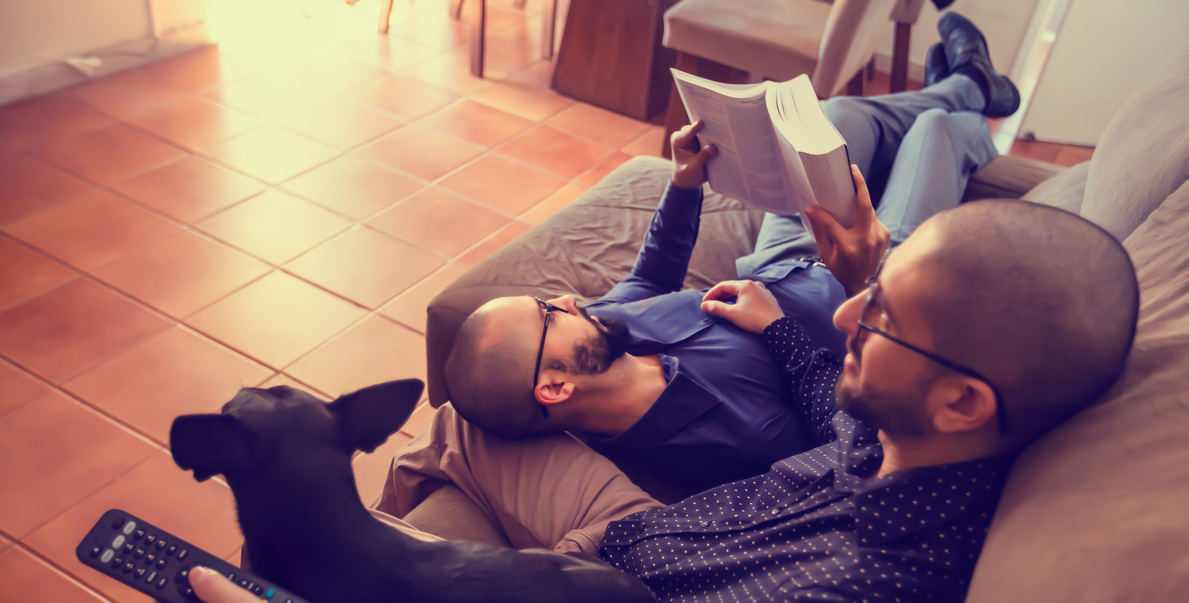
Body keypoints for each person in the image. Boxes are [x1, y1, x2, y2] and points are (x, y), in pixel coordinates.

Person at [141, 13, 1140, 603]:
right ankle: (965, 93)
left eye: (880, 321)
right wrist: (834, 294)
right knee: (459, 414)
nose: (852, 321)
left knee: (451, 432)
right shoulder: (901, 437)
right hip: (631, 546)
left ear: (964, 398)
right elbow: (829, 407)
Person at [411, 14, 1021, 497]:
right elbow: (842, 419)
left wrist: (682, 184)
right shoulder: (727, 441)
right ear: (553, 388)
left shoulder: (606, 331)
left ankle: (965, 82)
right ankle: (970, 95)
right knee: (934, 133)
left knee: (830, 118)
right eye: (550, 314)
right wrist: (801, 315)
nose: (571, 300)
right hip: (864, 283)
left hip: (780, 257)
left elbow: (651, 273)